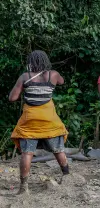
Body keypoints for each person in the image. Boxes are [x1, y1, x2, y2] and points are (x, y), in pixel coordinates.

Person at [9, 50, 69, 195]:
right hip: (49, 119)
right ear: (45, 61)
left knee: (27, 153)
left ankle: (24, 187)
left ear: (31, 62)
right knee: (58, 150)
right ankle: (67, 177)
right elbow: (62, 81)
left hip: (30, 120)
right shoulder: (53, 74)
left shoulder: (25, 76)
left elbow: (12, 98)